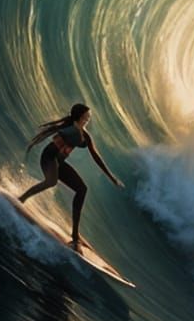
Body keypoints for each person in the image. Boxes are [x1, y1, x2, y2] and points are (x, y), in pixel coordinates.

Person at [19, 102, 121, 250]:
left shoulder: (84, 135)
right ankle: (22, 198)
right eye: (87, 115)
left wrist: (111, 177)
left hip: (59, 162)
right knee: (51, 181)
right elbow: (55, 137)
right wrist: (53, 139)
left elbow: (96, 156)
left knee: (82, 189)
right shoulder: (70, 129)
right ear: (80, 116)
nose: (89, 117)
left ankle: (75, 235)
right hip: (49, 157)